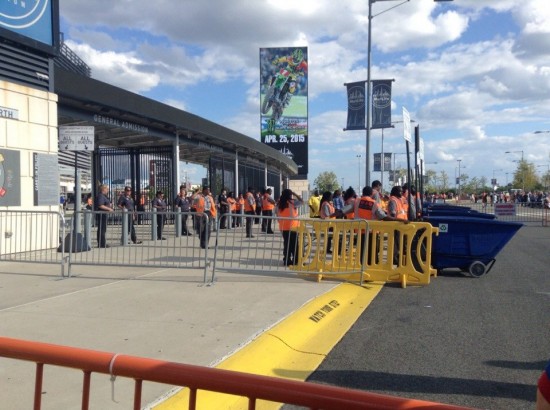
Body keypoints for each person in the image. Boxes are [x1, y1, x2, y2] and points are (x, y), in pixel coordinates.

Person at [277, 189, 303, 266]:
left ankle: (287, 260)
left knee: (287, 244)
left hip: (283, 227)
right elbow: (302, 201)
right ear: (290, 195)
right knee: (294, 245)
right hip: (293, 227)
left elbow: (277, 213)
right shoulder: (292, 202)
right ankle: (296, 260)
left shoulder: (279, 203)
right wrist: (295, 194)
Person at [95, 184, 114, 248]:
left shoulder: (104, 196)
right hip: (101, 214)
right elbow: (100, 205)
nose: (108, 190)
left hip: (104, 214)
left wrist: (109, 205)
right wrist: (109, 209)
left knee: (103, 229)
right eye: (107, 189)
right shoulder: (101, 196)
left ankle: (102, 243)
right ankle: (102, 244)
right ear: (103, 189)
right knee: (102, 229)